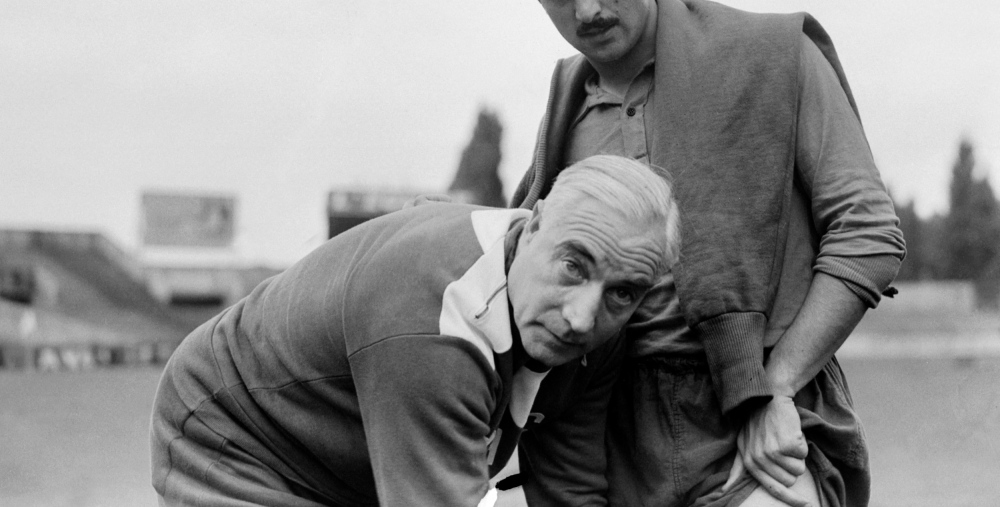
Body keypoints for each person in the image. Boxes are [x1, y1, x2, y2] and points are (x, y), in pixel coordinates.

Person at [506, 0, 906, 507]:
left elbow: (868, 233)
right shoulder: (563, 113)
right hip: (607, 438)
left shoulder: (774, 55)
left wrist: (774, 388)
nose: (587, 8)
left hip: (759, 418)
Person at [150, 154, 681, 507]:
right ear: (534, 224)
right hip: (239, 436)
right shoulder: (435, 320)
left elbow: (570, 485)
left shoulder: (599, 330)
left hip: (358, 460)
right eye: (573, 266)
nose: (582, 318)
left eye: (623, 293)